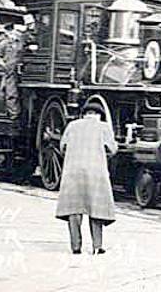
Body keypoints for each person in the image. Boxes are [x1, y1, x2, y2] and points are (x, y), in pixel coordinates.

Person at [56, 102, 118, 255]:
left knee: (74, 210)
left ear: (84, 114)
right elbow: (112, 149)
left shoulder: (72, 125)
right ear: (98, 115)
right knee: (96, 209)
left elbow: (62, 146)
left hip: (73, 171)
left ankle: (75, 247)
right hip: (95, 171)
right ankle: (97, 247)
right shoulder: (103, 127)